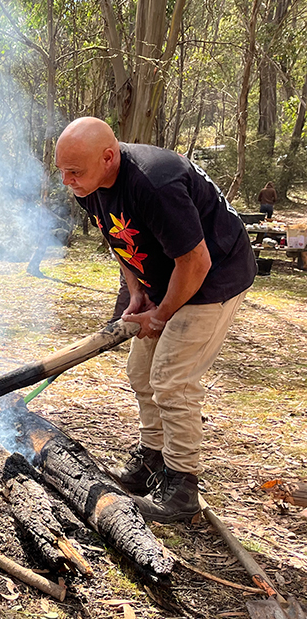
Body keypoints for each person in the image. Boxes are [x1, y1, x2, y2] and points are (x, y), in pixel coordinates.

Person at [55, 116, 256, 524]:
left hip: (214, 276)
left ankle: (181, 485)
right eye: (61, 171)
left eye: (73, 172)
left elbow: (196, 262)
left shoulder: (154, 184)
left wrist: (161, 316)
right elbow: (118, 241)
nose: (66, 181)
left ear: (108, 157)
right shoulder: (89, 184)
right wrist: (137, 292)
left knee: (171, 376)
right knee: (140, 370)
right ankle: (152, 461)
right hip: (168, 276)